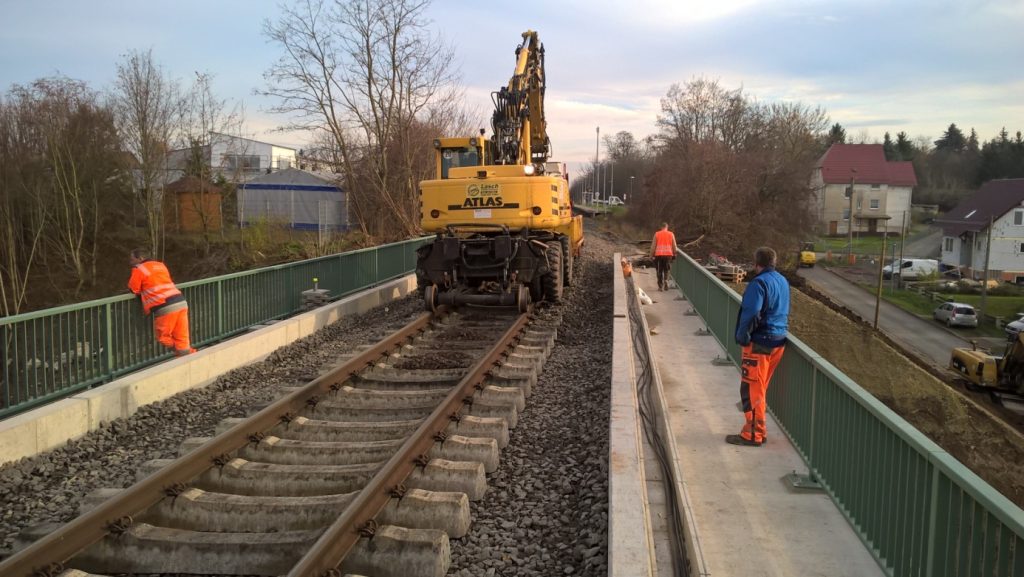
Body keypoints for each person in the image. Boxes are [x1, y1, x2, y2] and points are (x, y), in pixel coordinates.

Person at [728, 246, 789, 447]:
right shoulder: (782, 281)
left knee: (752, 389)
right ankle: (758, 429)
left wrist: (742, 336)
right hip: (778, 341)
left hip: (760, 343)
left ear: (756, 263)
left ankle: (753, 434)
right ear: (773, 262)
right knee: (760, 388)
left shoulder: (758, 283)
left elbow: (752, 311)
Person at [127, 249, 196, 356]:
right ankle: (188, 355)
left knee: (162, 337)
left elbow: (133, 289)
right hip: (180, 301)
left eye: (132, 259)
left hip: (164, 306)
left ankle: (181, 352)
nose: (130, 262)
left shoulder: (138, 269)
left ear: (140, 258)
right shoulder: (160, 265)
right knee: (182, 337)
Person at [650, 222, 679, 291]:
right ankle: (666, 280)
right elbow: (674, 246)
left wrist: (651, 255)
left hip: (659, 255)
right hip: (668, 255)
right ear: (667, 227)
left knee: (659, 270)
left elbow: (653, 246)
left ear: (661, 227)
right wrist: (675, 253)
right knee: (667, 269)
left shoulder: (657, 234)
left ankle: (660, 286)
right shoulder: (671, 234)